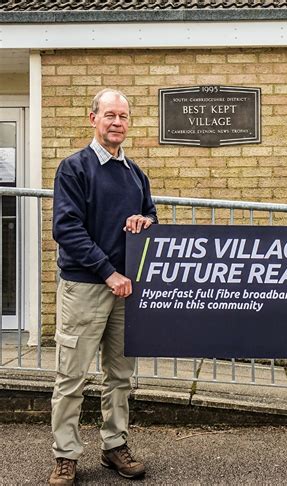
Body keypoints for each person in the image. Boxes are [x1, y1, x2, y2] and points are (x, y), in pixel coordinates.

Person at [49, 89, 157, 485]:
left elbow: (152, 218)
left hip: (124, 291)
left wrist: (146, 223)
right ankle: (65, 455)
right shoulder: (74, 168)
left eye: (123, 116)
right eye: (110, 115)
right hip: (86, 288)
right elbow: (66, 228)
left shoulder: (135, 174)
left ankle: (115, 446)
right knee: (71, 377)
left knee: (120, 377)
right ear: (92, 118)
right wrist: (108, 271)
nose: (117, 122)